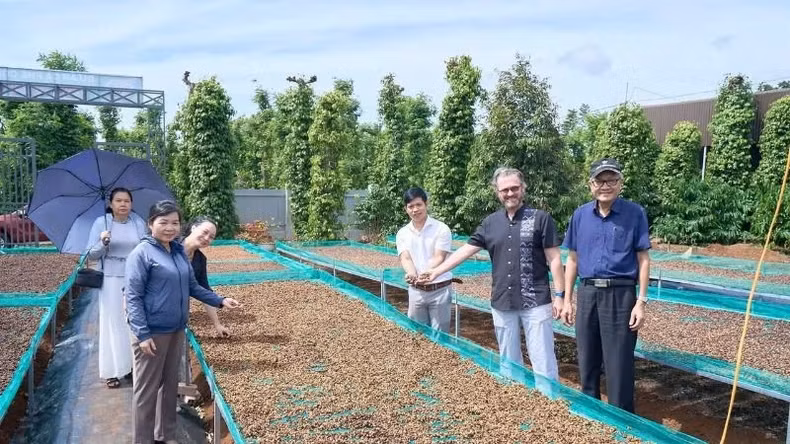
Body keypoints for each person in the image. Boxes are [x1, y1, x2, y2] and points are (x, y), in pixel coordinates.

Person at [419, 167, 565, 384]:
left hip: (535, 300)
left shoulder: (540, 219)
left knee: (543, 360)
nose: (509, 193)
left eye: (514, 188)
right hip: (502, 301)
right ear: (497, 192)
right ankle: (516, 403)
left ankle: (549, 404)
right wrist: (436, 271)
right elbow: (466, 250)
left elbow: (554, 259)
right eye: (504, 190)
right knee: (508, 360)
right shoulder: (490, 223)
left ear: (523, 188)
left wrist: (561, 296)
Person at [125, 201, 241, 444]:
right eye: (163, 222)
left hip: (176, 329)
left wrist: (220, 300)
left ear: (181, 225)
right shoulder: (141, 254)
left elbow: (192, 287)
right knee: (146, 392)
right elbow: (132, 297)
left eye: (174, 222)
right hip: (152, 333)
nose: (169, 227)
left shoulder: (177, 252)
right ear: (151, 224)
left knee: (169, 388)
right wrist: (142, 334)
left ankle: (165, 435)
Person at [561, 158, 649, 413]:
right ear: (591, 185)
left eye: (611, 180)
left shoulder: (634, 213)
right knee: (587, 357)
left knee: (618, 362)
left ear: (620, 183)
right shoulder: (580, 215)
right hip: (587, 292)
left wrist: (640, 302)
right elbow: (573, 259)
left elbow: (643, 259)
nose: (605, 185)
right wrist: (567, 300)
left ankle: (622, 419)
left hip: (620, 294)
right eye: (600, 180)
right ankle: (590, 412)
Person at [86, 187, 147, 389]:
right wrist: (103, 242)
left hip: (135, 279)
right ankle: (111, 371)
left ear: (131, 204)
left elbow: (146, 247)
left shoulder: (138, 223)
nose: (123, 204)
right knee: (113, 323)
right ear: (111, 204)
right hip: (111, 279)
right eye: (118, 201)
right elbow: (90, 255)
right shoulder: (101, 223)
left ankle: (130, 367)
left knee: (133, 323)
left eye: (127, 201)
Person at [395, 187, 454, 332]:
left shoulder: (441, 229)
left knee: (440, 337)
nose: (415, 209)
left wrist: (425, 273)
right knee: (417, 334)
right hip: (417, 291)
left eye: (418, 205)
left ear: (426, 204)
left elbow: (439, 256)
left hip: (439, 289)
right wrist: (412, 274)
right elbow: (406, 258)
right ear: (406, 209)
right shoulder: (402, 233)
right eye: (411, 206)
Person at [182, 216, 230, 337]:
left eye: (211, 237)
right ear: (193, 228)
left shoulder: (200, 260)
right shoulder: (170, 246)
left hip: (179, 313)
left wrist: (217, 324)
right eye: (205, 232)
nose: (207, 238)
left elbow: (204, 291)